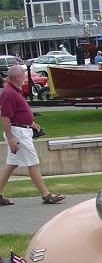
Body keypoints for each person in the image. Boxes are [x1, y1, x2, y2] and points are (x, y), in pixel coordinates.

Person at [0, 66, 64, 206]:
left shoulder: (14, 90)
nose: (25, 77)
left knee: (11, 164)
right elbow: (5, 117)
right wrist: (11, 139)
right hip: (18, 134)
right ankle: (46, 195)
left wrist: (31, 122)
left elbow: (18, 111)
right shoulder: (9, 93)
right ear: (17, 77)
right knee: (33, 163)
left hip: (21, 130)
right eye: (23, 75)